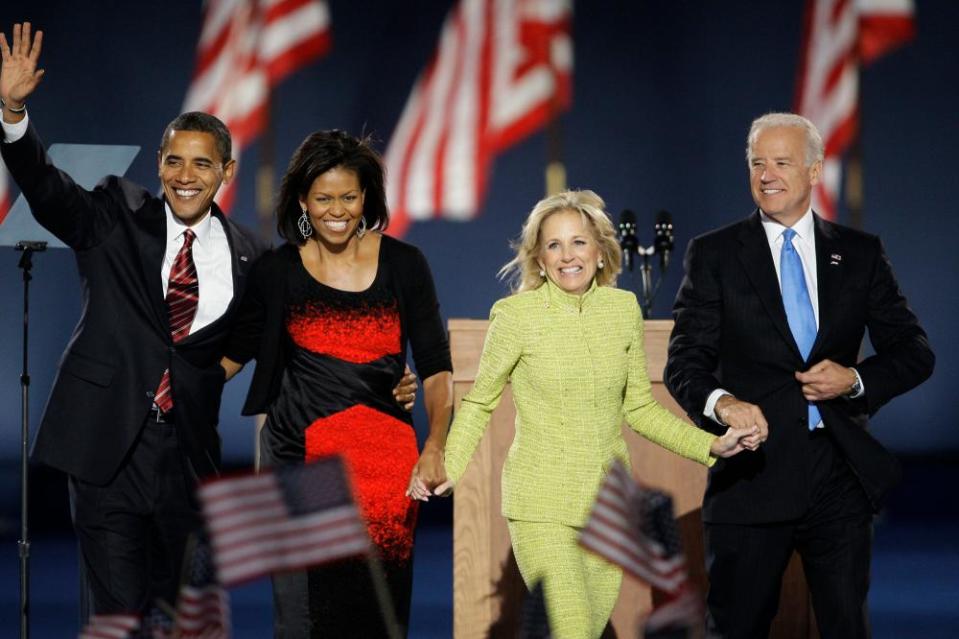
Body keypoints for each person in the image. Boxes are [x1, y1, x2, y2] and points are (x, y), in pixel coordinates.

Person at [0, 23, 268, 616]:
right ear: (160, 163)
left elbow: (255, 326)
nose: (185, 175)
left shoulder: (250, 252)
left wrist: (210, 374)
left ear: (226, 171)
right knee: (118, 612)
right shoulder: (115, 213)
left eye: (202, 164)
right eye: (174, 160)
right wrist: (13, 112)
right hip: (105, 447)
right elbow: (47, 191)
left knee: (178, 613)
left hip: (187, 458)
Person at [436, 190, 758, 639]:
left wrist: (711, 444)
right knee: (569, 629)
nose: (568, 256)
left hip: (607, 508)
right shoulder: (515, 316)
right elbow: (479, 401)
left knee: (586, 630)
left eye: (578, 242)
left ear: (601, 250)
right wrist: (447, 465)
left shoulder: (623, 309)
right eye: (554, 245)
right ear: (539, 258)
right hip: (540, 505)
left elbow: (641, 409)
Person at [664, 112, 935, 638]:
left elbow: (914, 351)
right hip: (752, 472)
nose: (767, 174)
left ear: (814, 172)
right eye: (757, 163)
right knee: (736, 628)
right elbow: (684, 362)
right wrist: (723, 405)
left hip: (838, 473)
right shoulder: (715, 254)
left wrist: (853, 380)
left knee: (845, 628)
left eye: (782, 162)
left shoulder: (859, 254)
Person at [221, 129, 453, 638]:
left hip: (384, 469)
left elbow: (436, 367)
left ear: (365, 195)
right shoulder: (277, 271)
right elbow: (231, 357)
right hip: (296, 462)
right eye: (323, 198)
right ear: (303, 199)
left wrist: (435, 446)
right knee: (302, 621)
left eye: (348, 197)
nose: (337, 210)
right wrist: (157, 376)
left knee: (377, 619)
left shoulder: (405, 265)